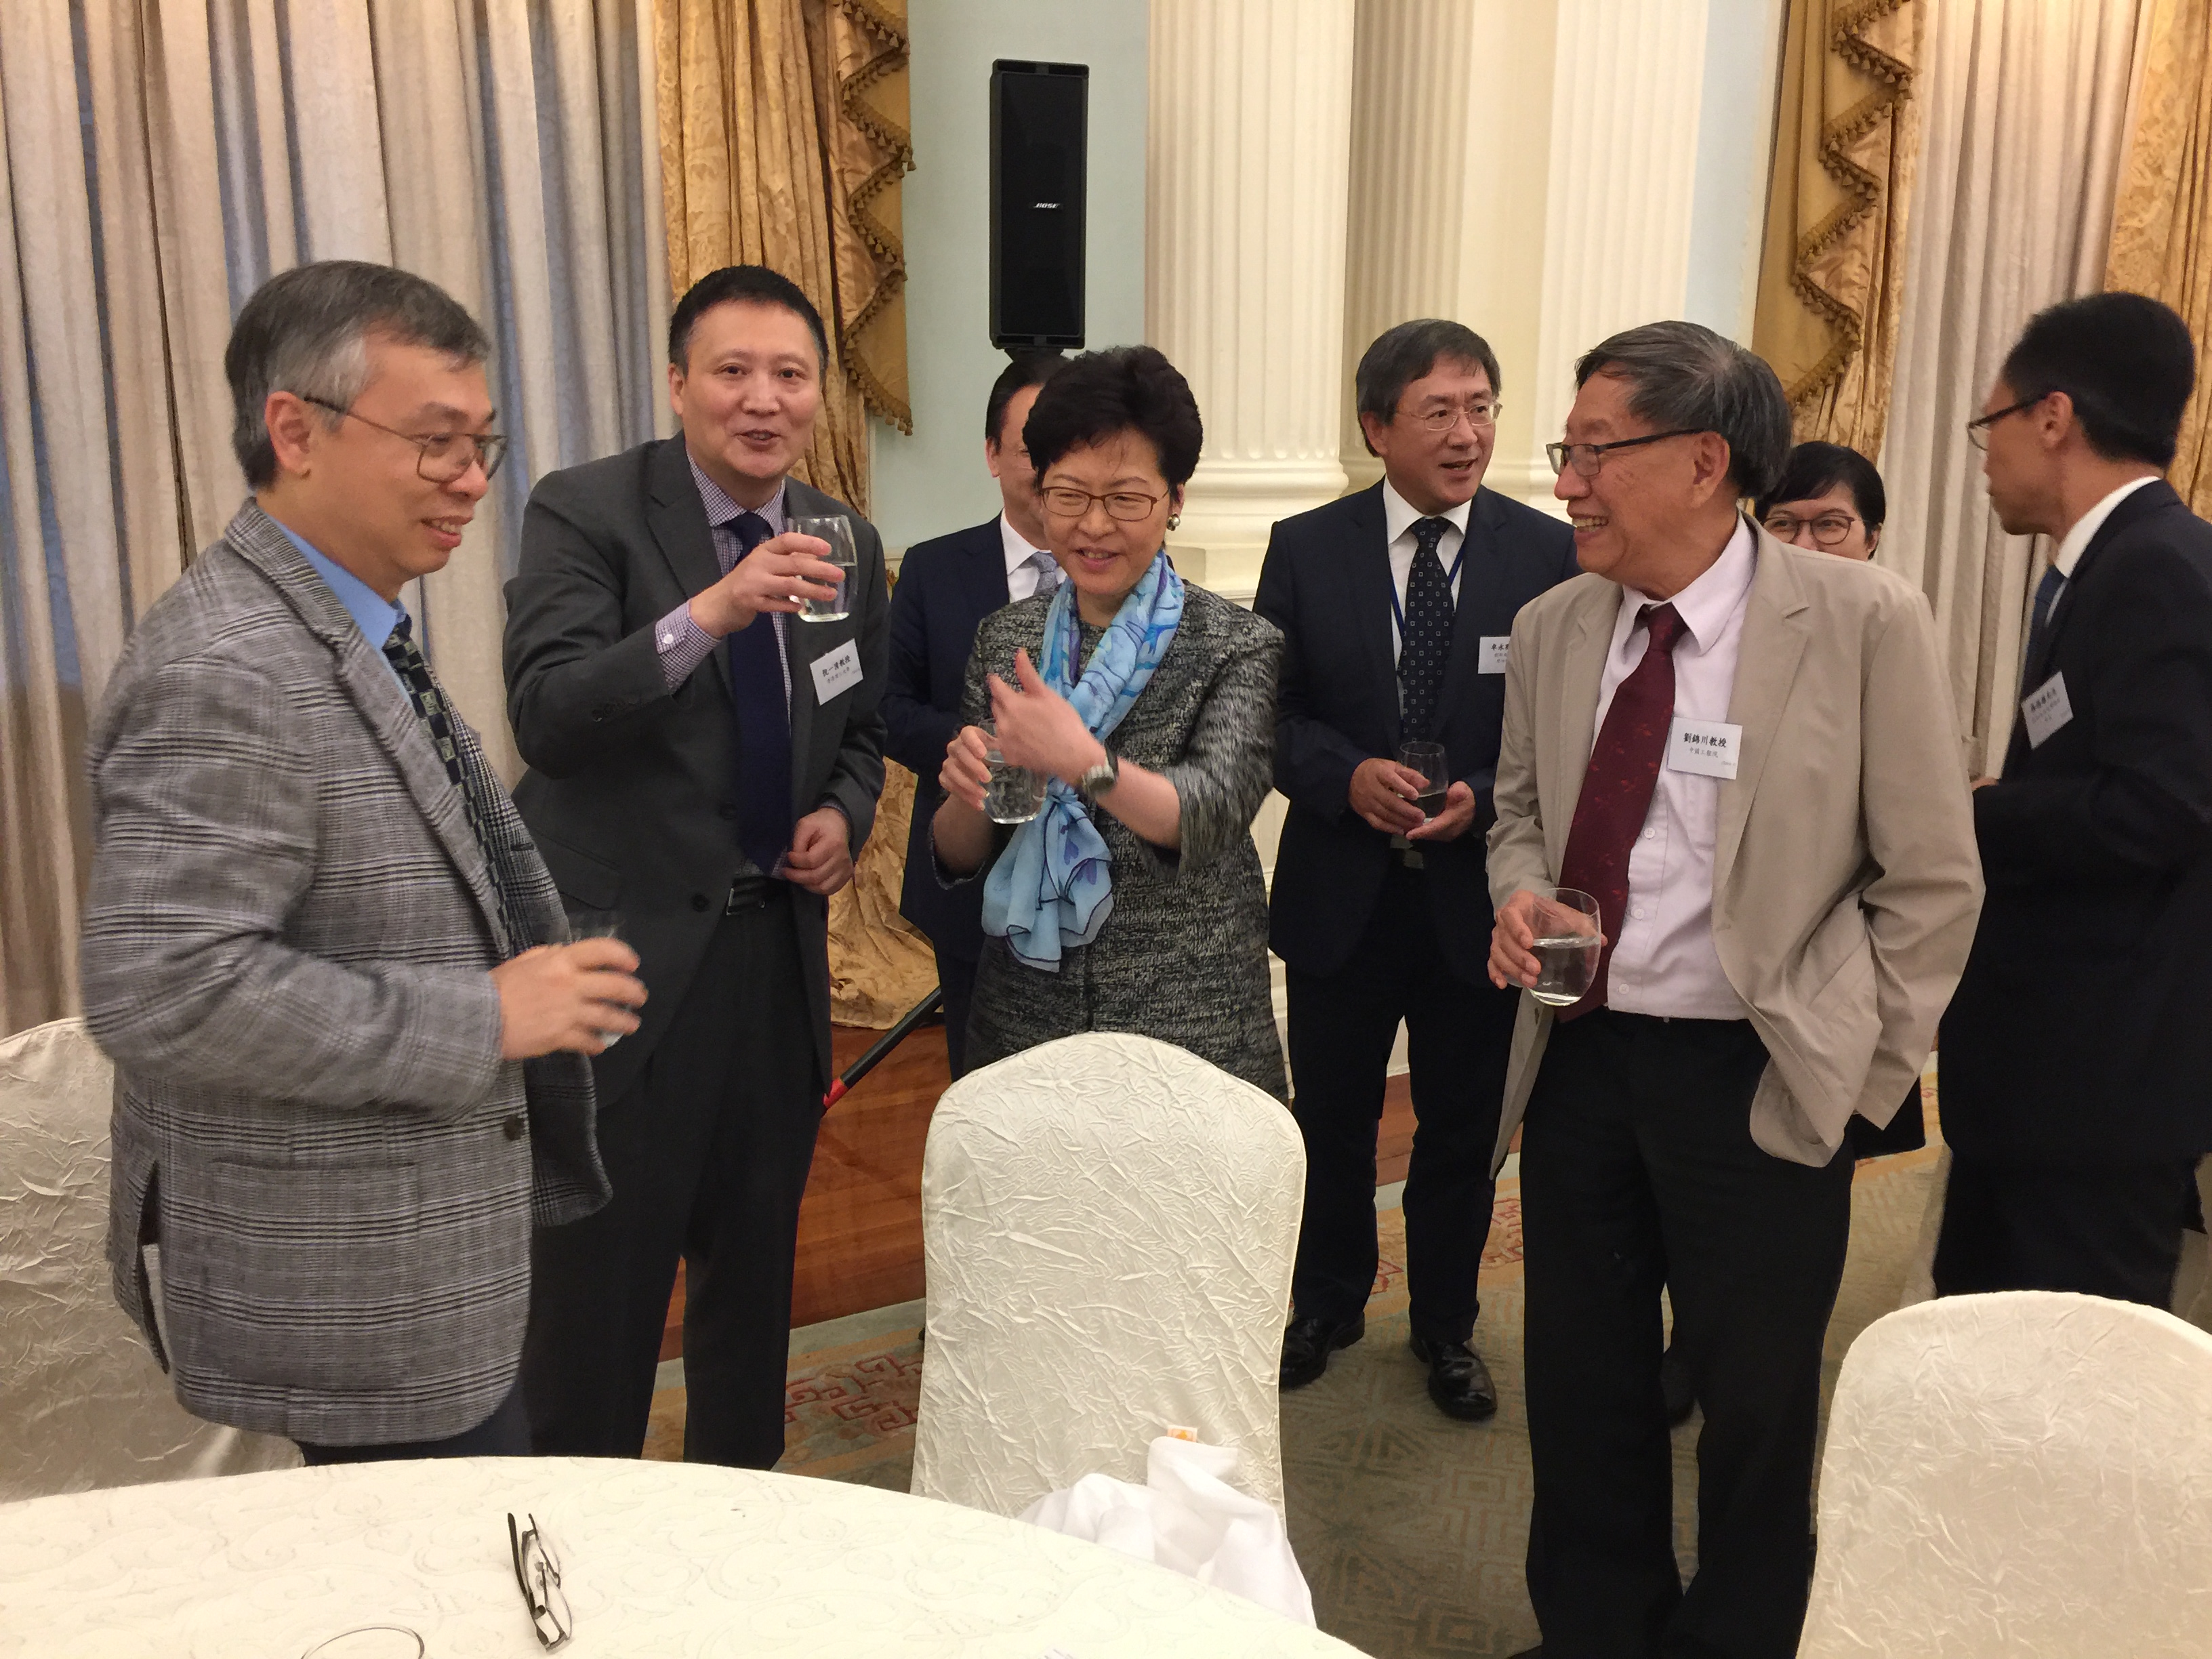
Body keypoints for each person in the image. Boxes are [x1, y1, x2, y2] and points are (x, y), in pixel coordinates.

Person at [80, 260, 640, 1464]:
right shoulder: (228, 666)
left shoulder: (344, 619)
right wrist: (484, 1015)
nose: (473, 480)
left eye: (482, 443)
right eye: (435, 442)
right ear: (295, 431)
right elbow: (164, 987)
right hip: (341, 1293)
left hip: (416, 1254)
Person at [1486, 321, 1982, 1659]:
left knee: (1756, 1403)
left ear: (1703, 462)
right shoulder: (1552, 625)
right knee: (1581, 1381)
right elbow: (1519, 813)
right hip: (1584, 1060)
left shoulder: (1861, 621)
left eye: (1594, 452)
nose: (1566, 482)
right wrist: (1517, 895)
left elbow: (1932, 878)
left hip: (1759, 1075)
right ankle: (1598, 1630)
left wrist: (1858, 1080)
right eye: (1565, 451)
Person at [503, 264, 889, 1468]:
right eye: (733, 371)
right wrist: (710, 612)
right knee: (599, 1300)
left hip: (771, 962)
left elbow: (861, 723)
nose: (763, 399)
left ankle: (741, 1508)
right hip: (621, 965)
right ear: (678, 384)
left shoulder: (845, 537)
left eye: (790, 375)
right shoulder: (586, 510)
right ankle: (581, 1519)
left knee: (753, 1275)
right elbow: (549, 715)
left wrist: (843, 813)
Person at [1255, 319, 1578, 1422]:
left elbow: (1559, 726)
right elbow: (1270, 716)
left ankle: (1445, 1322)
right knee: (1331, 1120)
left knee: (1461, 1127)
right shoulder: (1307, 548)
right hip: (1342, 892)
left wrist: (1480, 794)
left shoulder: (1545, 556)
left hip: (1474, 900)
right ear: (1375, 427)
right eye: (1438, 411)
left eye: (1481, 408)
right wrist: (1344, 777)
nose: (1466, 433)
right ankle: (1327, 1301)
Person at [1936, 292, 2212, 1309]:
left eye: (1991, 424)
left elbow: (2162, 807)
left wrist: (1973, 810)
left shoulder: (2157, 568)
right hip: (2057, 1067)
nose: (1985, 458)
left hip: (2101, 1079)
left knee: (2076, 1359)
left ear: (2052, 417)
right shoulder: (2110, 563)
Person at [931, 345, 1286, 1098]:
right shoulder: (1006, 638)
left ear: (1175, 499)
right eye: (1068, 495)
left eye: (1126, 499)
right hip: (1028, 1015)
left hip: (1187, 1019)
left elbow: (1211, 812)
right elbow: (964, 853)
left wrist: (1083, 762)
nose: (1094, 526)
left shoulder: (1235, 643)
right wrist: (968, 794)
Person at [884, 350, 1067, 1075]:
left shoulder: (1135, 578)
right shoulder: (932, 569)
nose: (1051, 468)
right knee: (985, 1088)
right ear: (992, 454)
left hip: (1097, 884)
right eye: (1031, 449)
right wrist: (985, 748)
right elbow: (888, 707)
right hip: (969, 871)